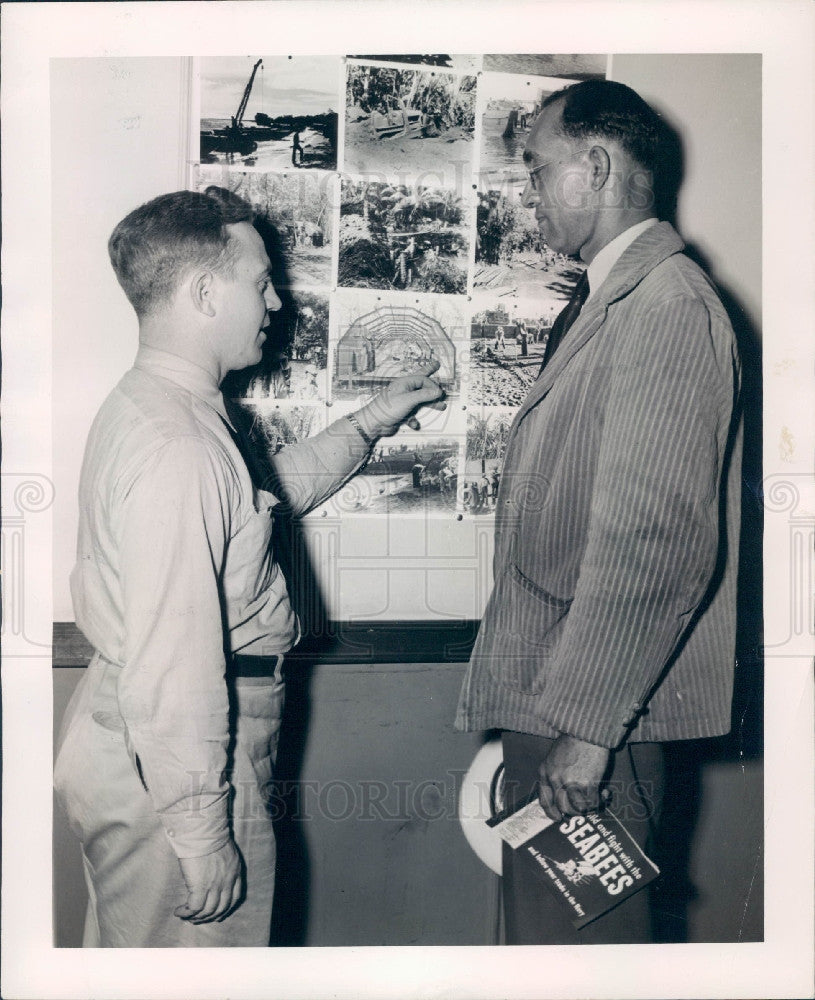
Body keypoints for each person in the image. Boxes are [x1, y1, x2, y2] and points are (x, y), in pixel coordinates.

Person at [54, 187, 444, 948]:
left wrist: (368, 422)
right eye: (260, 281)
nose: (274, 301)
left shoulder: (163, 409)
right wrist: (201, 837)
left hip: (149, 751)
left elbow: (252, 507)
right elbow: (175, 665)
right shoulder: (181, 447)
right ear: (204, 292)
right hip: (186, 759)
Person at [455, 80, 742, 944]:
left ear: (596, 164)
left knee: (579, 965)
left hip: (593, 724)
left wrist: (586, 732)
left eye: (537, 172)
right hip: (562, 704)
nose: (530, 195)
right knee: (550, 954)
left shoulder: (664, 308)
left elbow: (651, 547)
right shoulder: (616, 300)